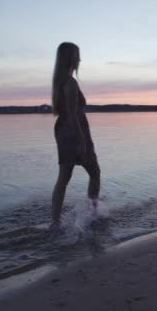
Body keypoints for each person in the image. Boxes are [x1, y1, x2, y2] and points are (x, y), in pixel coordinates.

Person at [50, 42, 100, 229]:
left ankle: (54, 223)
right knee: (95, 172)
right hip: (74, 130)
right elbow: (72, 114)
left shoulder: (60, 81)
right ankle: (93, 214)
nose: (79, 59)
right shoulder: (70, 82)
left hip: (63, 129)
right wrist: (82, 141)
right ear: (70, 58)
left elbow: (68, 114)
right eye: (77, 55)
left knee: (64, 177)